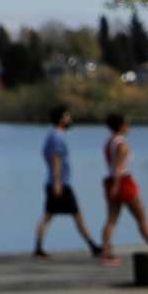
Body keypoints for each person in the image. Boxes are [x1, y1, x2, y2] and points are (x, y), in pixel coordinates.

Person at [35, 105, 99, 258]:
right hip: (60, 183)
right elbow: (56, 159)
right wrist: (58, 183)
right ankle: (93, 245)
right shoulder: (57, 136)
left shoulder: (52, 135)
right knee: (76, 215)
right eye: (67, 116)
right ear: (61, 119)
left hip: (55, 182)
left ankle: (38, 247)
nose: (70, 119)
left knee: (48, 215)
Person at [97, 112, 148, 265]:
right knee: (141, 218)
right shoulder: (122, 144)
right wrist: (117, 186)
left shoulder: (109, 141)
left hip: (111, 181)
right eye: (127, 124)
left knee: (111, 219)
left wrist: (113, 185)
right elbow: (119, 167)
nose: (129, 127)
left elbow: (112, 166)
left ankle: (105, 252)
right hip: (123, 182)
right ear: (121, 126)